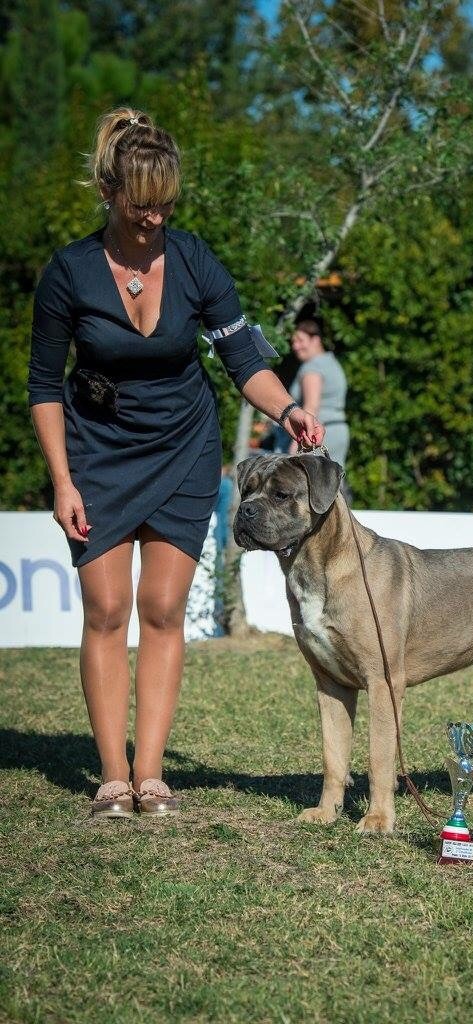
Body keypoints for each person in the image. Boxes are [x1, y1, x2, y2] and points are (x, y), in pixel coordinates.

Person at [27, 107, 323, 820]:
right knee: (106, 608)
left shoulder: (195, 262)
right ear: (108, 192)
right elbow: (42, 386)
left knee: (162, 610)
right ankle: (109, 776)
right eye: (139, 206)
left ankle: (150, 775)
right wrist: (63, 480)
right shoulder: (68, 272)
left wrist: (286, 410)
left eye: (163, 205)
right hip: (97, 454)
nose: (153, 220)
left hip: (183, 449)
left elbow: (243, 359)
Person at [286, 319, 349, 467]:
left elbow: (311, 406)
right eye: (293, 342)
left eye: (301, 341)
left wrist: (296, 445)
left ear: (315, 339)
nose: (295, 346)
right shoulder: (331, 362)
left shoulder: (312, 367)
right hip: (338, 429)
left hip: (318, 434)